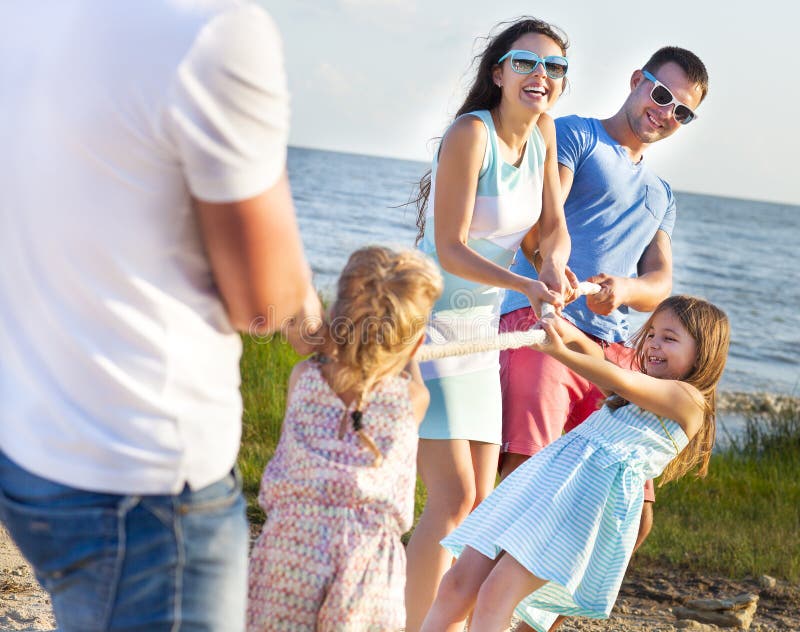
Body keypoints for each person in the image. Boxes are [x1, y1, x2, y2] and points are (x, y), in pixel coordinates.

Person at [0, 3, 320, 630]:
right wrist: (313, 315)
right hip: (145, 479)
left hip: (29, 447)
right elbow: (263, 303)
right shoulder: (213, 29)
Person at [498, 46, 710, 574]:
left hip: (618, 354)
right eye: (662, 95)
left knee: (632, 517)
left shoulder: (662, 194)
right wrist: (555, 266)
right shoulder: (575, 135)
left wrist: (624, 289)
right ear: (638, 80)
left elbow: (660, 284)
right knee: (529, 479)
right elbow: (541, 229)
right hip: (548, 326)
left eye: (682, 111)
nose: (666, 112)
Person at [404, 17, 574, 631]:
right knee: (449, 502)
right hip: (429, 326)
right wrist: (527, 284)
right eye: (526, 63)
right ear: (499, 72)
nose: (541, 76)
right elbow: (448, 249)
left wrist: (553, 268)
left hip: (481, 334)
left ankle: (436, 622)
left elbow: (548, 231)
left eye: (553, 68)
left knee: (477, 506)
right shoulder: (469, 134)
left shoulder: (546, 134)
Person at [421, 295, 730, 632]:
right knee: (457, 585)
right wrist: (570, 334)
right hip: (540, 487)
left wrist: (560, 353)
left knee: (496, 596)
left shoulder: (689, 401)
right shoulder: (638, 393)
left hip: (578, 510)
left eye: (669, 338)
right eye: (652, 333)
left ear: (703, 354)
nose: (654, 343)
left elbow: (620, 378)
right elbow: (606, 366)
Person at [246, 246, 442, 631]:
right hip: (368, 564)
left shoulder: (304, 379)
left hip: (290, 549)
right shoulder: (413, 400)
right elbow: (403, 365)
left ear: (337, 318)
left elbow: (311, 332)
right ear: (416, 344)